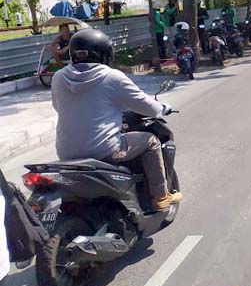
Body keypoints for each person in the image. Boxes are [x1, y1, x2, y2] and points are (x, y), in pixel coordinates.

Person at [51, 29, 182, 211]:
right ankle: (161, 196)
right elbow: (143, 103)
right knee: (151, 141)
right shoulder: (111, 76)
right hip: (102, 150)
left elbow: (58, 107)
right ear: (104, 54)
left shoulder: (58, 77)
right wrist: (161, 109)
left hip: (66, 152)